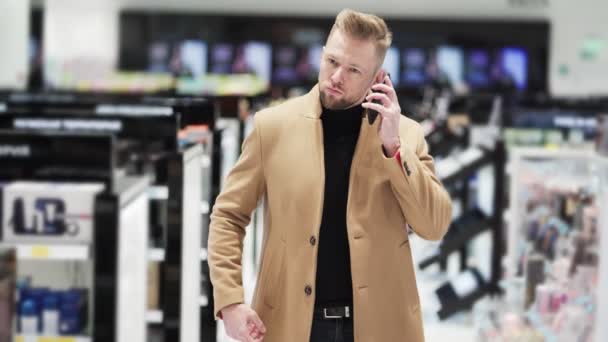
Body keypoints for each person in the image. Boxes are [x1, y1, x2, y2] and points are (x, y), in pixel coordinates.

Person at [208, 9, 452, 342]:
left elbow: (433, 224)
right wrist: (230, 300)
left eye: (353, 70)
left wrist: (394, 148)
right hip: (290, 324)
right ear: (322, 54)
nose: (337, 76)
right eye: (332, 61)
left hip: (380, 326)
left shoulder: (405, 136)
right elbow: (228, 216)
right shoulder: (272, 127)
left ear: (377, 78)